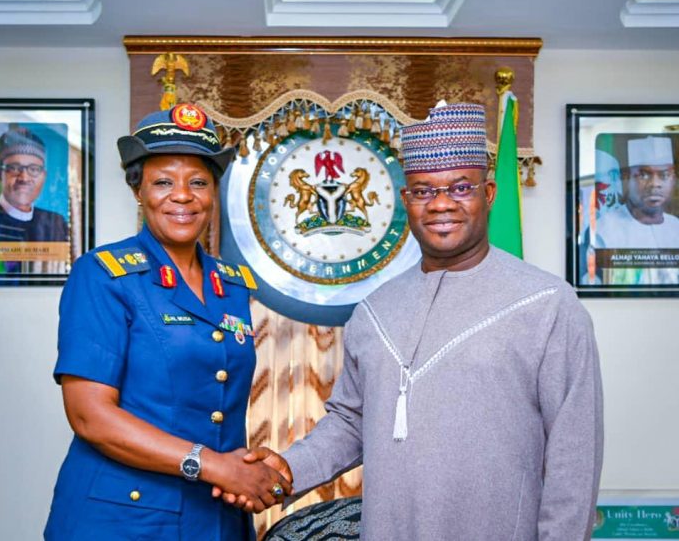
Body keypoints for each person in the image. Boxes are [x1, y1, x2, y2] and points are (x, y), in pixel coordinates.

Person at [230, 102, 604, 539]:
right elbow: (352, 422)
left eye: (460, 188)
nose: (441, 204)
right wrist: (287, 469)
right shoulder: (375, 309)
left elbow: (574, 454)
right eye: (424, 191)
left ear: (489, 194)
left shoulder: (547, 304)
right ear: (405, 200)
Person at [44, 104, 292, 541]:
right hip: (122, 520)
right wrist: (215, 465)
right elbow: (90, 417)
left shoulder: (231, 284)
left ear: (213, 194)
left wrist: (250, 468)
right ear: (138, 191)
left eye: (198, 182)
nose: (182, 196)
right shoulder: (103, 276)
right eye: (163, 182)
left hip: (214, 516)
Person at [594, 136, 679, 285]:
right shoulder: (603, 230)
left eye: (664, 175)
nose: (655, 184)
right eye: (644, 175)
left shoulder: (676, 227)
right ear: (626, 178)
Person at [0, 128, 68, 242]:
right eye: (14, 168)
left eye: (33, 169)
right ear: (0, 174)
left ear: (44, 176)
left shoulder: (56, 223)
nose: (24, 178)